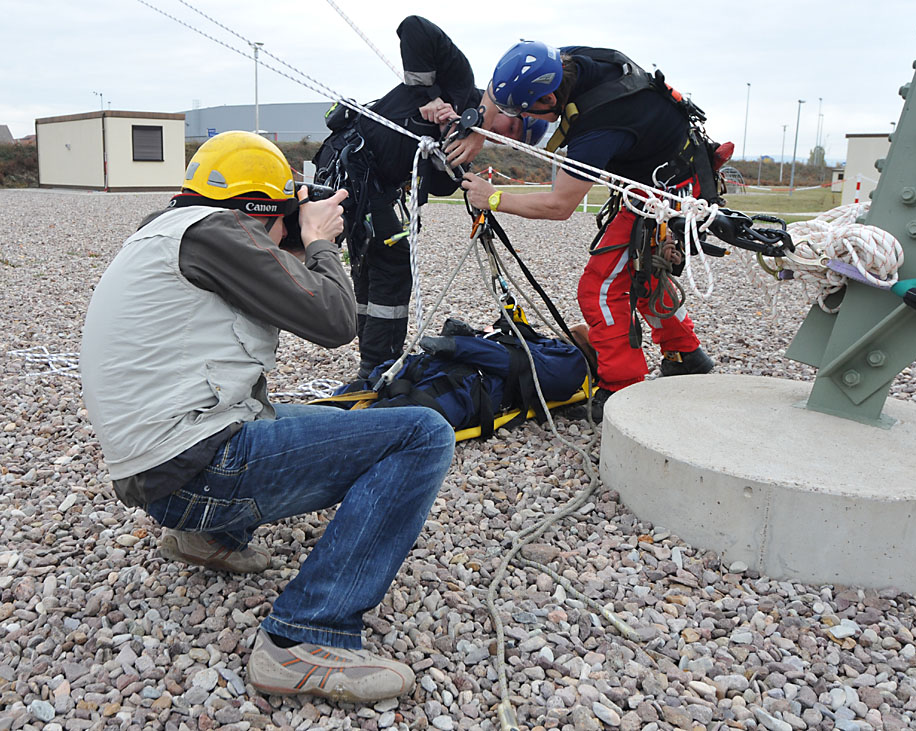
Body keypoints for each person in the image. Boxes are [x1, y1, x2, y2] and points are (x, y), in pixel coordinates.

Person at [79, 131, 455, 702]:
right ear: (260, 211)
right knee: (422, 435)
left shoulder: (168, 232)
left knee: (284, 414)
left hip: (156, 471)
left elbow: (273, 288)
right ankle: (304, 635)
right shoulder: (219, 234)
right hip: (194, 471)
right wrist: (320, 241)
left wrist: (290, 240)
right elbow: (336, 321)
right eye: (283, 216)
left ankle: (208, 537)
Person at [450, 41, 719, 420]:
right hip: (668, 174)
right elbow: (498, 89)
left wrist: (493, 197)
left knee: (600, 288)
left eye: (526, 112)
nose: (523, 121)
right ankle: (685, 354)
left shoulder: (598, 125)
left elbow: (560, 205)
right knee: (644, 276)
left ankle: (621, 390)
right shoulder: (565, 61)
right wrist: (479, 126)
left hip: (666, 191)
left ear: (549, 98)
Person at [314, 15, 548, 379]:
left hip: (371, 183)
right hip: (354, 164)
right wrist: (432, 97)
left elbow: (439, 187)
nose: (503, 136)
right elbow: (414, 27)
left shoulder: (466, 135)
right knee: (392, 265)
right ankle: (378, 366)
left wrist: (449, 147)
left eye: (512, 141)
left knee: (373, 262)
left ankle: (372, 363)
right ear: (508, 107)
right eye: (513, 127)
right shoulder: (459, 82)